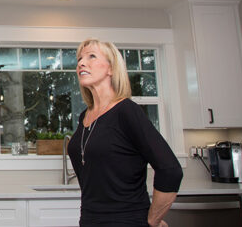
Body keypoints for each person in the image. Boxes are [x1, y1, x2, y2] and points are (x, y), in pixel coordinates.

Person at [67, 38, 182, 227]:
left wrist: (153, 220)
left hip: (126, 220)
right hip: (89, 220)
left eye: (91, 56)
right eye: (79, 58)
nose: (81, 63)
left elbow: (170, 171)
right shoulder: (84, 117)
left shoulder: (126, 111)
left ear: (111, 69)